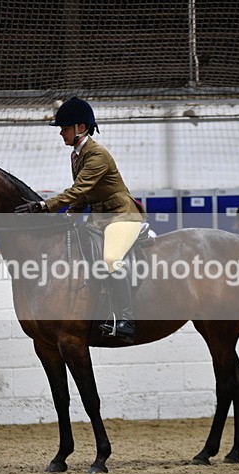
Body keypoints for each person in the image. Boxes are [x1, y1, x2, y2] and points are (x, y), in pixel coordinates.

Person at [14, 97, 145, 344]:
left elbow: (77, 189)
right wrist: (68, 217)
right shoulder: (77, 154)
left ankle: (127, 320)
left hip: (122, 216)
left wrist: (43, 205)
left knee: (111, 259)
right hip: (99, 219)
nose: (61, 133)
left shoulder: (97, 154)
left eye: (64, 128)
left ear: (81, 128)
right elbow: (84, 195)